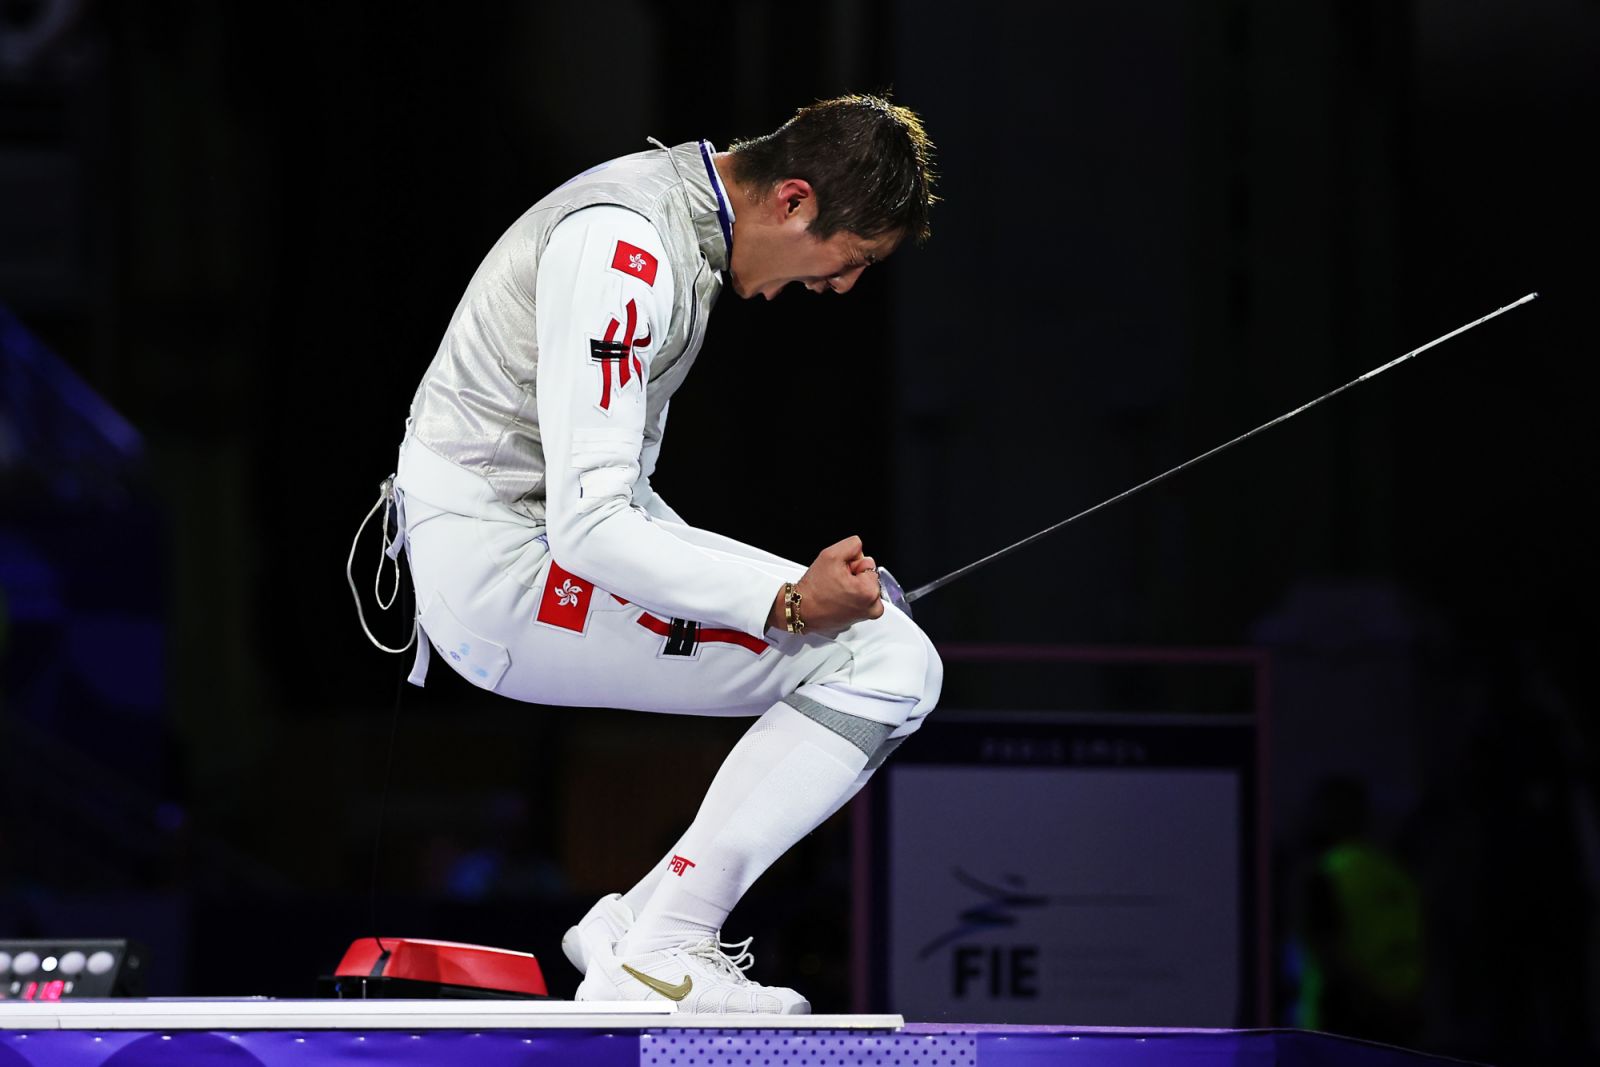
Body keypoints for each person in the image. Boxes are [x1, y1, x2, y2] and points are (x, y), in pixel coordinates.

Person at [371, 95, 942, 1014]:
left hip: (523, 551)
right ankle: (665, 941)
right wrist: (786, 602)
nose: (842, 288)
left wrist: (794, 594)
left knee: (880, 644)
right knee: (888, 665)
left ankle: (636, 929)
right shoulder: (624, 250)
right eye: (854, 260)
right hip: (503, 573)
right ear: (793, 200)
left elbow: (619, 502)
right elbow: (592, 526)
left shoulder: (673, 229)